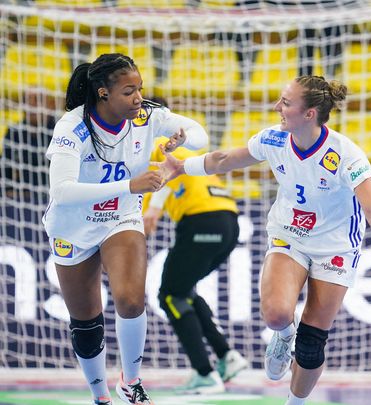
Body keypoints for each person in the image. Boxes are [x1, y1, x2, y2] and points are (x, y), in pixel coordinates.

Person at [154, 75, 371, 405]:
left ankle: (294, 402)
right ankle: (283, 338)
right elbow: (226, 159)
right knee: (277, 315)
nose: (276, 107)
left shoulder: (346, 156)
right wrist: (183, 166)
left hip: (335, 247)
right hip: (289, 234)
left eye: (285, 102)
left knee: (311, 345)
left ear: (309, 113)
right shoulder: (274, 139)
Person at [43, 53, 208, 405]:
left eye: (140, 89)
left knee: (132, 301)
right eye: (129, 91)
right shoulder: (73, 127)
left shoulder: (146, 115)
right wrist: (130, 186)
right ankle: (100, 396)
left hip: (121, 219)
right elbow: (62, 191)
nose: (138, 98)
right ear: (103, 93)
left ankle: (130, 383)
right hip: (73, 226)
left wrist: (182, 140)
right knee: (87, 324)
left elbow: (199, 133)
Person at [143, 137, 249, 394]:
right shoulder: (182, 146)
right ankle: (226, 355)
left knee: (169, 295)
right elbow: (169, 186)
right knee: (183, 290)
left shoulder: (149, 146)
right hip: (229, 222)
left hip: (200, 220)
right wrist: (154, 209)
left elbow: (146, 218)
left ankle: (204, 373)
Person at [1, 87, 55, 202]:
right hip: (22, 201)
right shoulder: (14, 132)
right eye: (27, 100)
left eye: (37, 99)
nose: (31, 104)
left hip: (54, 197)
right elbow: (4, 169)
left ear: (50, 105)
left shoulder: (60, 131)